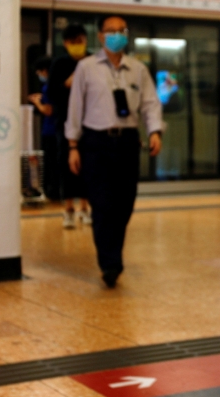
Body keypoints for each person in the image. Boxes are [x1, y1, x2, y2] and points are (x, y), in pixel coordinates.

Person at [66, 16, 163, 288]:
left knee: (124, 203)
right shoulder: (86, 68)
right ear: (100, 36)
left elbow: (150, 104)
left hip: (128, 141)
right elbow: (75, 108)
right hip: (95, 142)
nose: (117, 35)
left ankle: (112, 254)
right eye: (111, 31)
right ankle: (110, 263)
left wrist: (154, 131)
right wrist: (72, 145)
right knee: (102, 203)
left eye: (122, 31)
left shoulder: (138, 69)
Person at [48, 24, 92, 228]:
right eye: (73, 42)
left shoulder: (93, 61)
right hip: (64, 123)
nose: (78, 46)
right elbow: (52, 94)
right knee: (66, 166)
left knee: (88, 166)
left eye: (81, 41)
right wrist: (68, 83)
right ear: (66, 44)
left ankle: (85, 208)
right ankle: (68, 210)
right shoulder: (59, 64)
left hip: (91, 123)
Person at [27, 56, 61, 201]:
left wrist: (36, 103)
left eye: (39, 71)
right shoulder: (56, 86)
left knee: (51, 163)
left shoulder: (49, 87)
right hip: (57, 130)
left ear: (45, 70)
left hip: (50, 130)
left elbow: (48, 110)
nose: (38, 75)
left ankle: (52, 192)